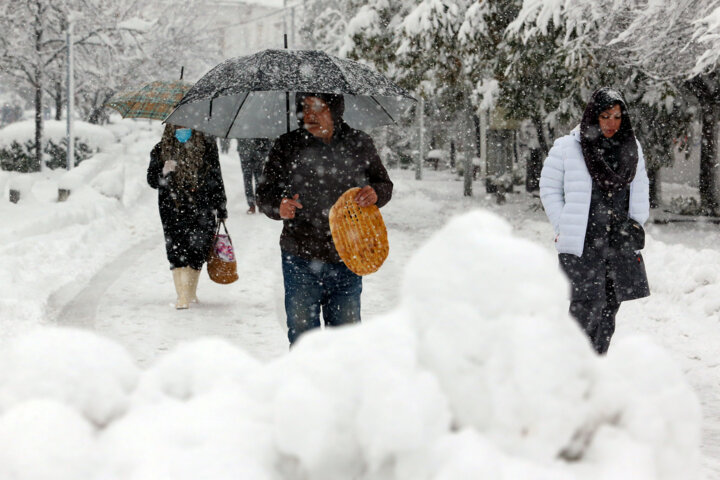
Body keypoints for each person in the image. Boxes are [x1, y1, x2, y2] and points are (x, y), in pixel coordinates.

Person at [257, 92, 393, 345]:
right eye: (305, 108)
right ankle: (304, 385)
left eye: (318, 108)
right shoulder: (287, 145)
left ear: (335, 111)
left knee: (346, 341)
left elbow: (383, 184)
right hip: (300, 256)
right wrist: (279, 206)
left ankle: (340, 385)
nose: (310, 115)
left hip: (348, 255)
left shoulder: (359, 142)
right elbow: (264, 194)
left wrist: (375, 193)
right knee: (303, 340)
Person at [540, 87, 650, 354]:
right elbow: (549, 188)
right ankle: (573, 369)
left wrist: (636, 222)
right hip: (584, 241)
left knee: (609, 311)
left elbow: (640, 188)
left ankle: (595, 367)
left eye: (616, 116)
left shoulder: (631, 147)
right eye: (604, 116)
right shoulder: (568, 148)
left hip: (618, 240)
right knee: (584, 310)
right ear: (593, 116)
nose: (611, 123)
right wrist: (562, 224)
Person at [147, 124, 228, 309]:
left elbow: (216, 178)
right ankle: (182, 295)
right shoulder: (160, 150)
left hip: (202, 207)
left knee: (198, 249)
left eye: (187, 125)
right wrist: (164, 172)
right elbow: (152, 181)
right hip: (172, 207)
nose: (182, 129)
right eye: (178, 125)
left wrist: (221, 208)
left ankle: (190, 292)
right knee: (177, 250)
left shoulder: (207, 147)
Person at [237, 138, 272, 214]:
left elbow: (267, 142)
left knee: (257, 181)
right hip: (247, 156)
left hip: (256, 156)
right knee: (249, 181)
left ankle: (258, 203)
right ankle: (253, 205)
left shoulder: (259, 128)